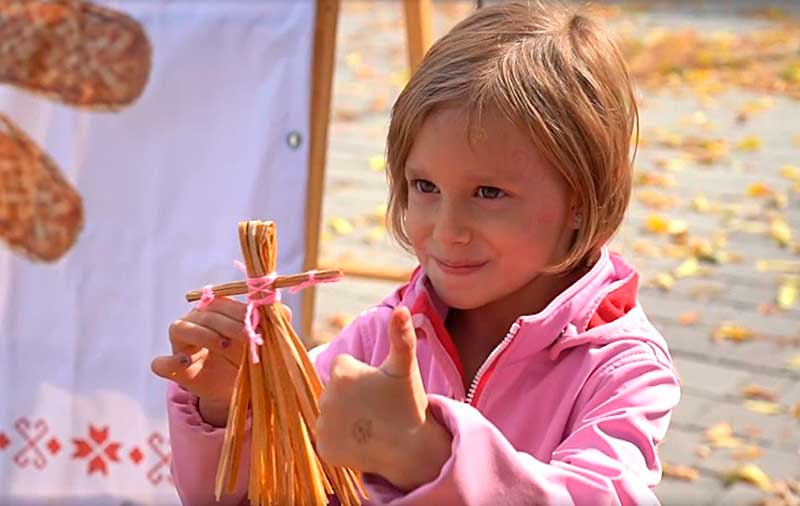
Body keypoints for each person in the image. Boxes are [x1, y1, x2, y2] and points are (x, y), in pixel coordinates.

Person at [151, 2, 681, 504]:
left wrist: (428, 454)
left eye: (489, 193)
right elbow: (262, 489)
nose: (446, 230)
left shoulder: (622, 369)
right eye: (425, 187)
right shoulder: (379, 337)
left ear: (582, 201)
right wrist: (232, 405)